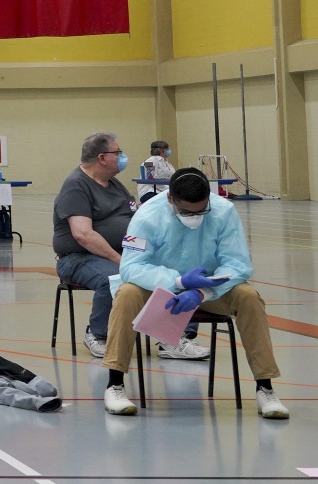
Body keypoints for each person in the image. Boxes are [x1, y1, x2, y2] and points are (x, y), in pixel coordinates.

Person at [100, 168, 285, 416]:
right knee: (127, 294)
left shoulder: (224, 211)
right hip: (160, 288)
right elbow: (131, 267)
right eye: (186, 211)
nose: (195, 217)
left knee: (249, 297)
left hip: (210, 289)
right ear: (170, 199)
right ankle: (115, 384)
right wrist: (177, 281)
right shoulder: (145, 216)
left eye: (202, 210)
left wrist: (201, 293)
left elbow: (238, 264)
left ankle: (266, 388)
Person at [53, 132, 138, 359]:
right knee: (114, 277)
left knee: (168, 269)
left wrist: (145, 251)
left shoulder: (115, 185)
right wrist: (121, 261)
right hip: (78, 258)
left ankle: (173, 337)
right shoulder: (76, 186)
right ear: (102, 158)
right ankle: (97, 334)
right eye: (118, 152)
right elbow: (83, 234)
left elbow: (133, 221)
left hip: (119, 252)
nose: (122, 157)